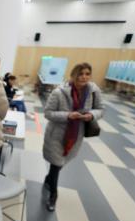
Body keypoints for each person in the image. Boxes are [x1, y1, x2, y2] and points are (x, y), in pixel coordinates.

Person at [42, 62, 104, 211]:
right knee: (56, 164)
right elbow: (48, 113)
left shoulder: (94, 91)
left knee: (59, 164)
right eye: (81, 74)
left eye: (87, 74)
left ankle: (49, 179)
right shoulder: (59, 92)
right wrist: (68, 115)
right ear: (74, 75)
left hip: (76, 135)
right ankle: (53, 196)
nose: (84, 77)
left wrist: (91, 115)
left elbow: (100, 109)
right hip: (57, 134)